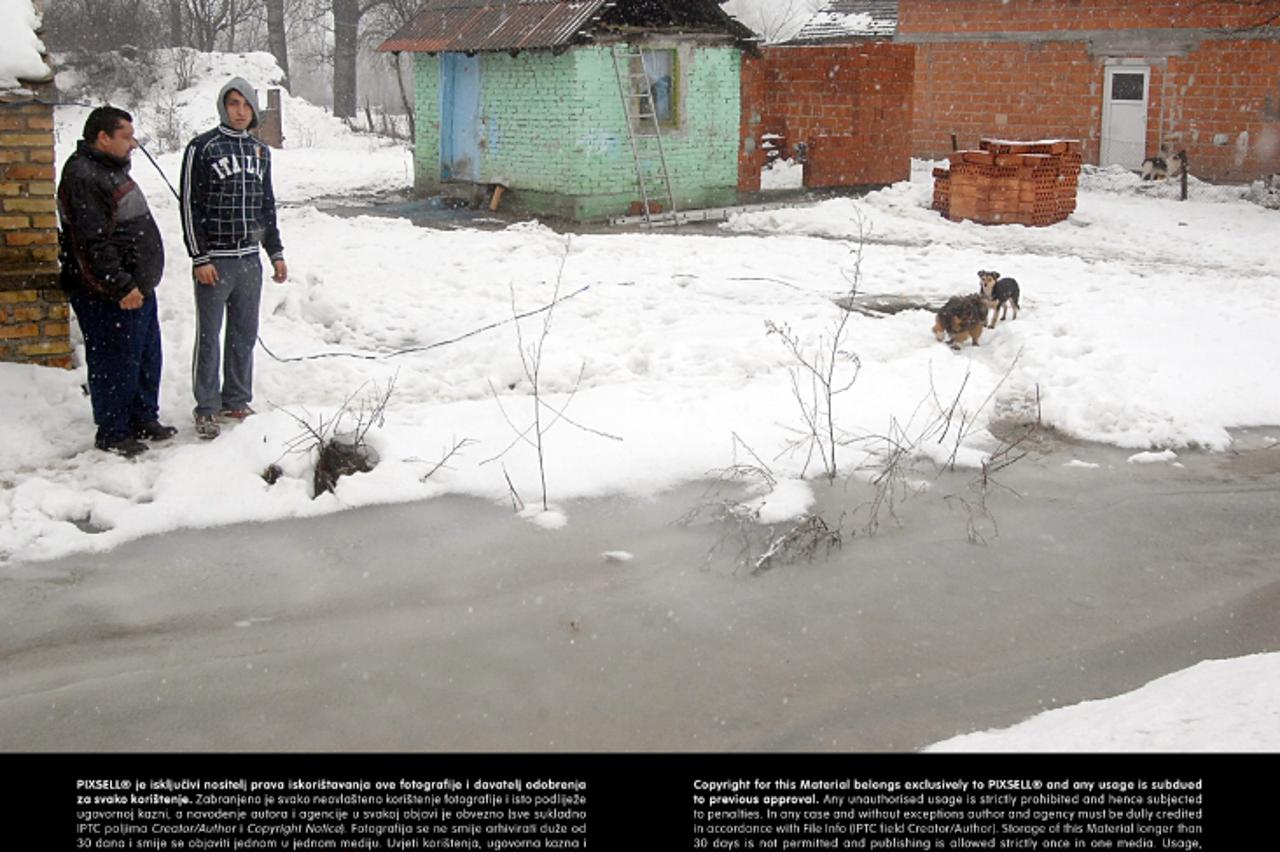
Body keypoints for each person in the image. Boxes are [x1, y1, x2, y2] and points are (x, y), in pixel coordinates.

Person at [57, 106, 176, 458]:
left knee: (143, 356)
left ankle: (142, 417)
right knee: (115, 361)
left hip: (137, 289)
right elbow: (91, 243)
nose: (134, 143)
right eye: (126, 136)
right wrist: (121, 285)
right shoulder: (83, 176)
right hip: (108, 294)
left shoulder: (108, 170)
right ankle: (113, 430)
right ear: (103, 137)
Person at [180, 77, 287, 440]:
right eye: (233, 104)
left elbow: (266, 206)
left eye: (246, 105)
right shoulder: (203, 148)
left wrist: (275, 252)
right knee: (209, 336)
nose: (240, 112)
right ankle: (206, 407)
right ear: (223, 107)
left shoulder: (260, 152)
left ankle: (237, 400)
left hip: (248, 260)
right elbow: (190, 207)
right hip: (215, 261)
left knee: (244, 334)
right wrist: (199, 257)